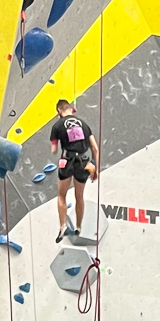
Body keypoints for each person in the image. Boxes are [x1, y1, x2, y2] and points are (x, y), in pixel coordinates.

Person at [49, 97, 99, 241]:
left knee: (61, 195)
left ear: (59, 111)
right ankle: (78, 227)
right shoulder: (84, 125)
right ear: (71, 109)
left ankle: (63, 226)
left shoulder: (57, 126)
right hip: (83, 162)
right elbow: (95, 148)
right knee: (79, 197)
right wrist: (95, 169)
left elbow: (53, 149)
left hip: (67, 160)